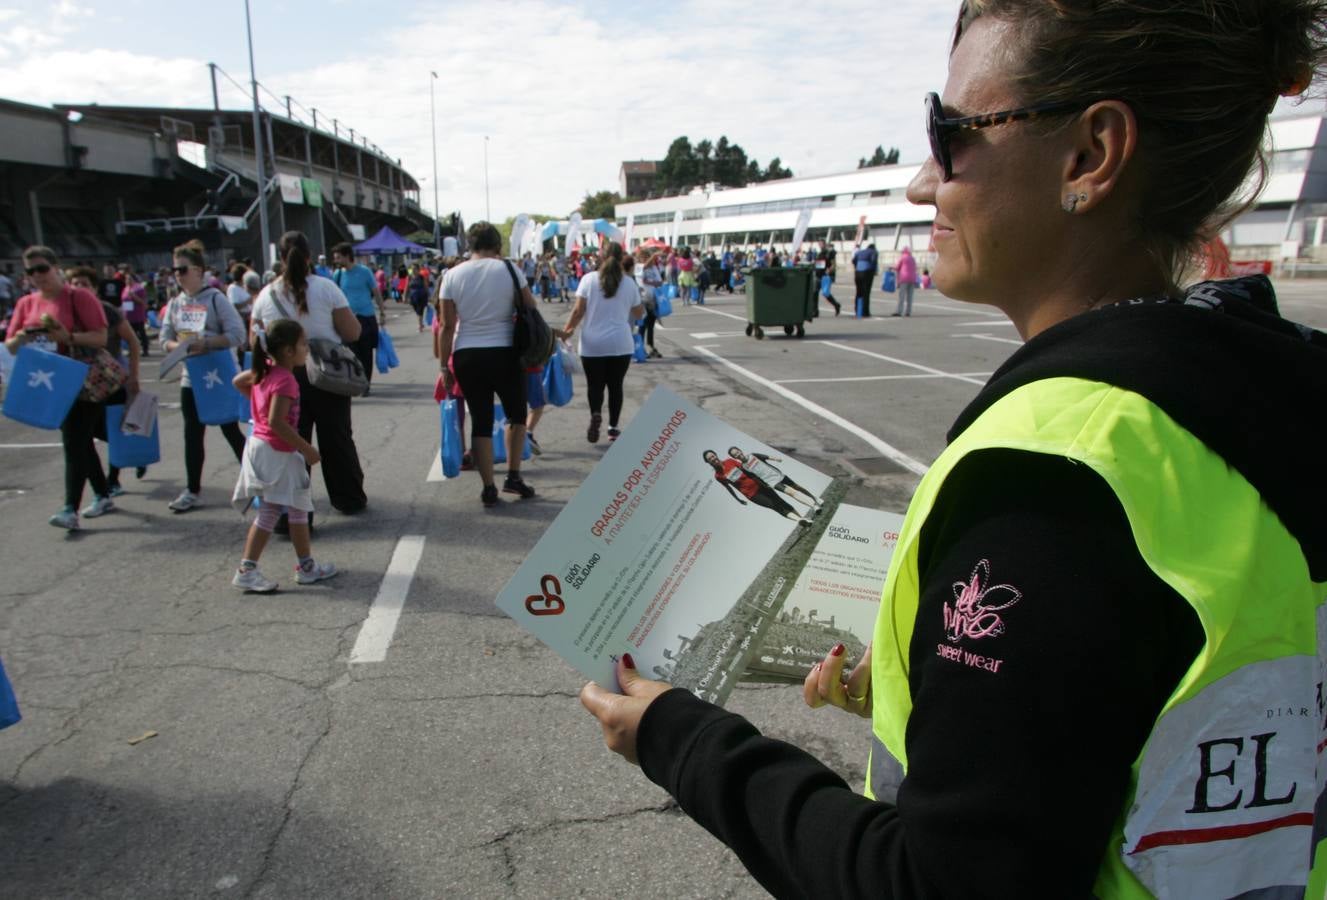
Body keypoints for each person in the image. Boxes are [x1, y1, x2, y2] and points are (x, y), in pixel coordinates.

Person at [579, 1, 1327, 897]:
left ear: (1088, 156)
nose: (920, 184)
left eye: (952, 132)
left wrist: (679, 738)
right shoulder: (1270, 384)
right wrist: (951, 704)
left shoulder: (1054, 474)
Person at [251, 231, 367, 516]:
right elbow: (352, 331)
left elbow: (254, 340)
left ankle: (290, 512)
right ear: (309, 257)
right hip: (327, 376)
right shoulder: (326, 288)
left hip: (284, 377)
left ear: (279, 259)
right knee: (336, 439)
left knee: (290, 446)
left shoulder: (266, 295)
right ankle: (348, 498)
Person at [3, 246, 109, 530]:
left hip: (80, 379)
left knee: (74, 441)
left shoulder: (78, 297)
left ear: (55, 267)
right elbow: (11, 345)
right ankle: (103, 492)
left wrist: (69, 336)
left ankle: (69, 508)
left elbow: (101, 337)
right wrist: (25, 336)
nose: (37, 276)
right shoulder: (26, 303)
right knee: (80, 440)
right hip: (47, 381)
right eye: (30, 271)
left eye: (42, 269)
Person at [436, 221, 539, 507]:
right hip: (506, 350)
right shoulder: (509, 269)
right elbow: (530, 306)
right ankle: (514, 476)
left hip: (468, 354)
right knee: (516, 416)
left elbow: (446, 325)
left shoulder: (451, 275)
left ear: (469, 245)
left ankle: (488, 486)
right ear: (497, 244)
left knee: (480, 419)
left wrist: (445, 366)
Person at [230, 319, 337, 593]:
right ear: (288, 351)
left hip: (262, 446)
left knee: (298, 506)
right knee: (271, 510)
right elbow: (278, 422)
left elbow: (238, 381)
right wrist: (307, 448)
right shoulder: (286, 380)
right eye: (303, 344)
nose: (306, 348)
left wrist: (257, 401)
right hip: (277, 451)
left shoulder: (266, 371)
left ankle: (306, 565)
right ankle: (247, 569)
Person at [158, 239, 248, 513]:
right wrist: (180, 347)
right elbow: (164, 339)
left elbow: (237, 335)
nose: (178, 275)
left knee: (230, 429)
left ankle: (257, 481)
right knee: (192, 434)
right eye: (175, 270)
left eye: (183, 269)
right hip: (191, 377)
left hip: (219, 373)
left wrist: (205, 343)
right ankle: (192, 489)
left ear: (198, 270)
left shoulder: (215, 298)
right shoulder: (175, 303)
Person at [67, 266, 143, 498]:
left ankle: (113, 480)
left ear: (95, 288)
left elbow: (132, 342)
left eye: (85, 284)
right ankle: (135, 452)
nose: (80, 288)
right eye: (75, 284)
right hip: (82, 385)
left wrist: (133, 376)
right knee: (95, 433)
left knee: (113, 428)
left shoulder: (107, 310)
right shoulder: (68, 313)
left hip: (111, 379)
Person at [562, 242, 644, 444]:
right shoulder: (629, 283)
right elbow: (639, 313)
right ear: (622, 257)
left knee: (595, 386)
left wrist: (565, 332)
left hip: (592, 344)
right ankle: (613, 428)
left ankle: (596, 413)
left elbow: (578, 311)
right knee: (616, 386)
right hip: (621, 344)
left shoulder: (588, 280)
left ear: (601, 255)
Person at [701, 450, 810, 525]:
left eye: (712, 455)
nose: (712, 458)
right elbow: (729, 488)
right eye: (709, 458)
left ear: (715, 455)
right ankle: (799, 520)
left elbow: (747, 469)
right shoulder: (718, 476)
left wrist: (763, 480)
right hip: (752, 495)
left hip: (761, 485)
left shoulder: (730, 461)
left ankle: (803, 519)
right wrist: (738, 499)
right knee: (774, 506)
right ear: (708, 462)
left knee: (780, 501)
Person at [331, 242, 384, 391]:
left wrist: (382, 311)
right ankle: (357, 380)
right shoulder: (338, 274)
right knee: (351, 353)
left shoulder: (364, 271)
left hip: (366, 317)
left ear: (348, 256)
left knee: (366, 352)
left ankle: (365, 383)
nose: (336, 261)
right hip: (347, 319)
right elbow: (334, 295)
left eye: (339, 257)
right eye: (335, 258)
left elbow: (376, 292)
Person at [728, 447, 821, 512]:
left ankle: (815, 498)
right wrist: (765, 485)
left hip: (778, 475)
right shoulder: (744, 467)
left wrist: (776, 459)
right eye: (735, 455)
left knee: (797, 487)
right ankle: (813, 506)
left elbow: (766, 457)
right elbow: (755, 478)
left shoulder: (753, 455)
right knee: (791, 493)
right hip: (771, 482)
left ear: (740, 450)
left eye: (738, 452)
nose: (738, 454)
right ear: (734, 457)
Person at [639, 252, 664, 358]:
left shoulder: (654, 268)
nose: (646, 259)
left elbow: (660, 282)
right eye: (643, 257)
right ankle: (640, 348)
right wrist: (653, 256)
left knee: (651, 325)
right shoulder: (638, 266)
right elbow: (642, 278)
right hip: (642, 299)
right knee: (643, 325)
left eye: (647, 257)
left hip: (653, 299)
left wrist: (649, 282)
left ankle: (650, 346)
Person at [120, 269, 150, 357]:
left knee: (141, 333)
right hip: (128, 315)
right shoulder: (125, 289)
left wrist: (134, 296)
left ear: (134, 279)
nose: (127, 281)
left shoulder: (139, 288)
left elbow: (143, 303)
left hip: (138, 315)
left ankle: (145, 350)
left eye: (129, 279)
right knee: (131, 335)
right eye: (126, 279)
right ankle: (132, 350)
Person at [852, 240, 878, 316]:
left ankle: (857, 310)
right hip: (867, 273)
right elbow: (873, 261)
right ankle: (865, 312)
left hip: (858, 273)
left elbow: (853, 260)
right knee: (866, 292)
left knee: (859, 292)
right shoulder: (874, 252)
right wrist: (874, 271)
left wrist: (857, 267)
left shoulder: (860, 252)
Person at [816, 241, 842, 315]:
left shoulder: (829, 253)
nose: (820, 245)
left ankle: (836, 305)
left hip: (825, 276)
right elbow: (819, 264)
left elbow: (833, 265)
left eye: (821, 244)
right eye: (819, 244)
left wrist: (828, 271)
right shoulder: (820, 253)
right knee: (814, 293)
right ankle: (815, 311)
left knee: (825, 293)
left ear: (825, 244)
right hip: (818, 275)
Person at [893, 245, 919, 317]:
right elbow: (915, 268)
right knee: (910, 296)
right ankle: (908, 312)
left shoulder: (902, 257)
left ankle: (899, 311)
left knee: (902, 296)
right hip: (912, 279)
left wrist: (891, 267)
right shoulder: (912, 258)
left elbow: (897, 267)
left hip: (904, 278)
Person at [406, 265, 430, 331]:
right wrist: (404, 296)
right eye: (412, 269)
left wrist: (428, 295)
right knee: (417, 311)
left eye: (415, 269)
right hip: (413, 297)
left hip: (421, 296)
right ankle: (421, 323)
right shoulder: (409, 277)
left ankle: (420, 326)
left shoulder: (421, 277)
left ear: (418, 270)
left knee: (420, 311)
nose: (413, 270)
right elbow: (407, 287)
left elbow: (426, 286)